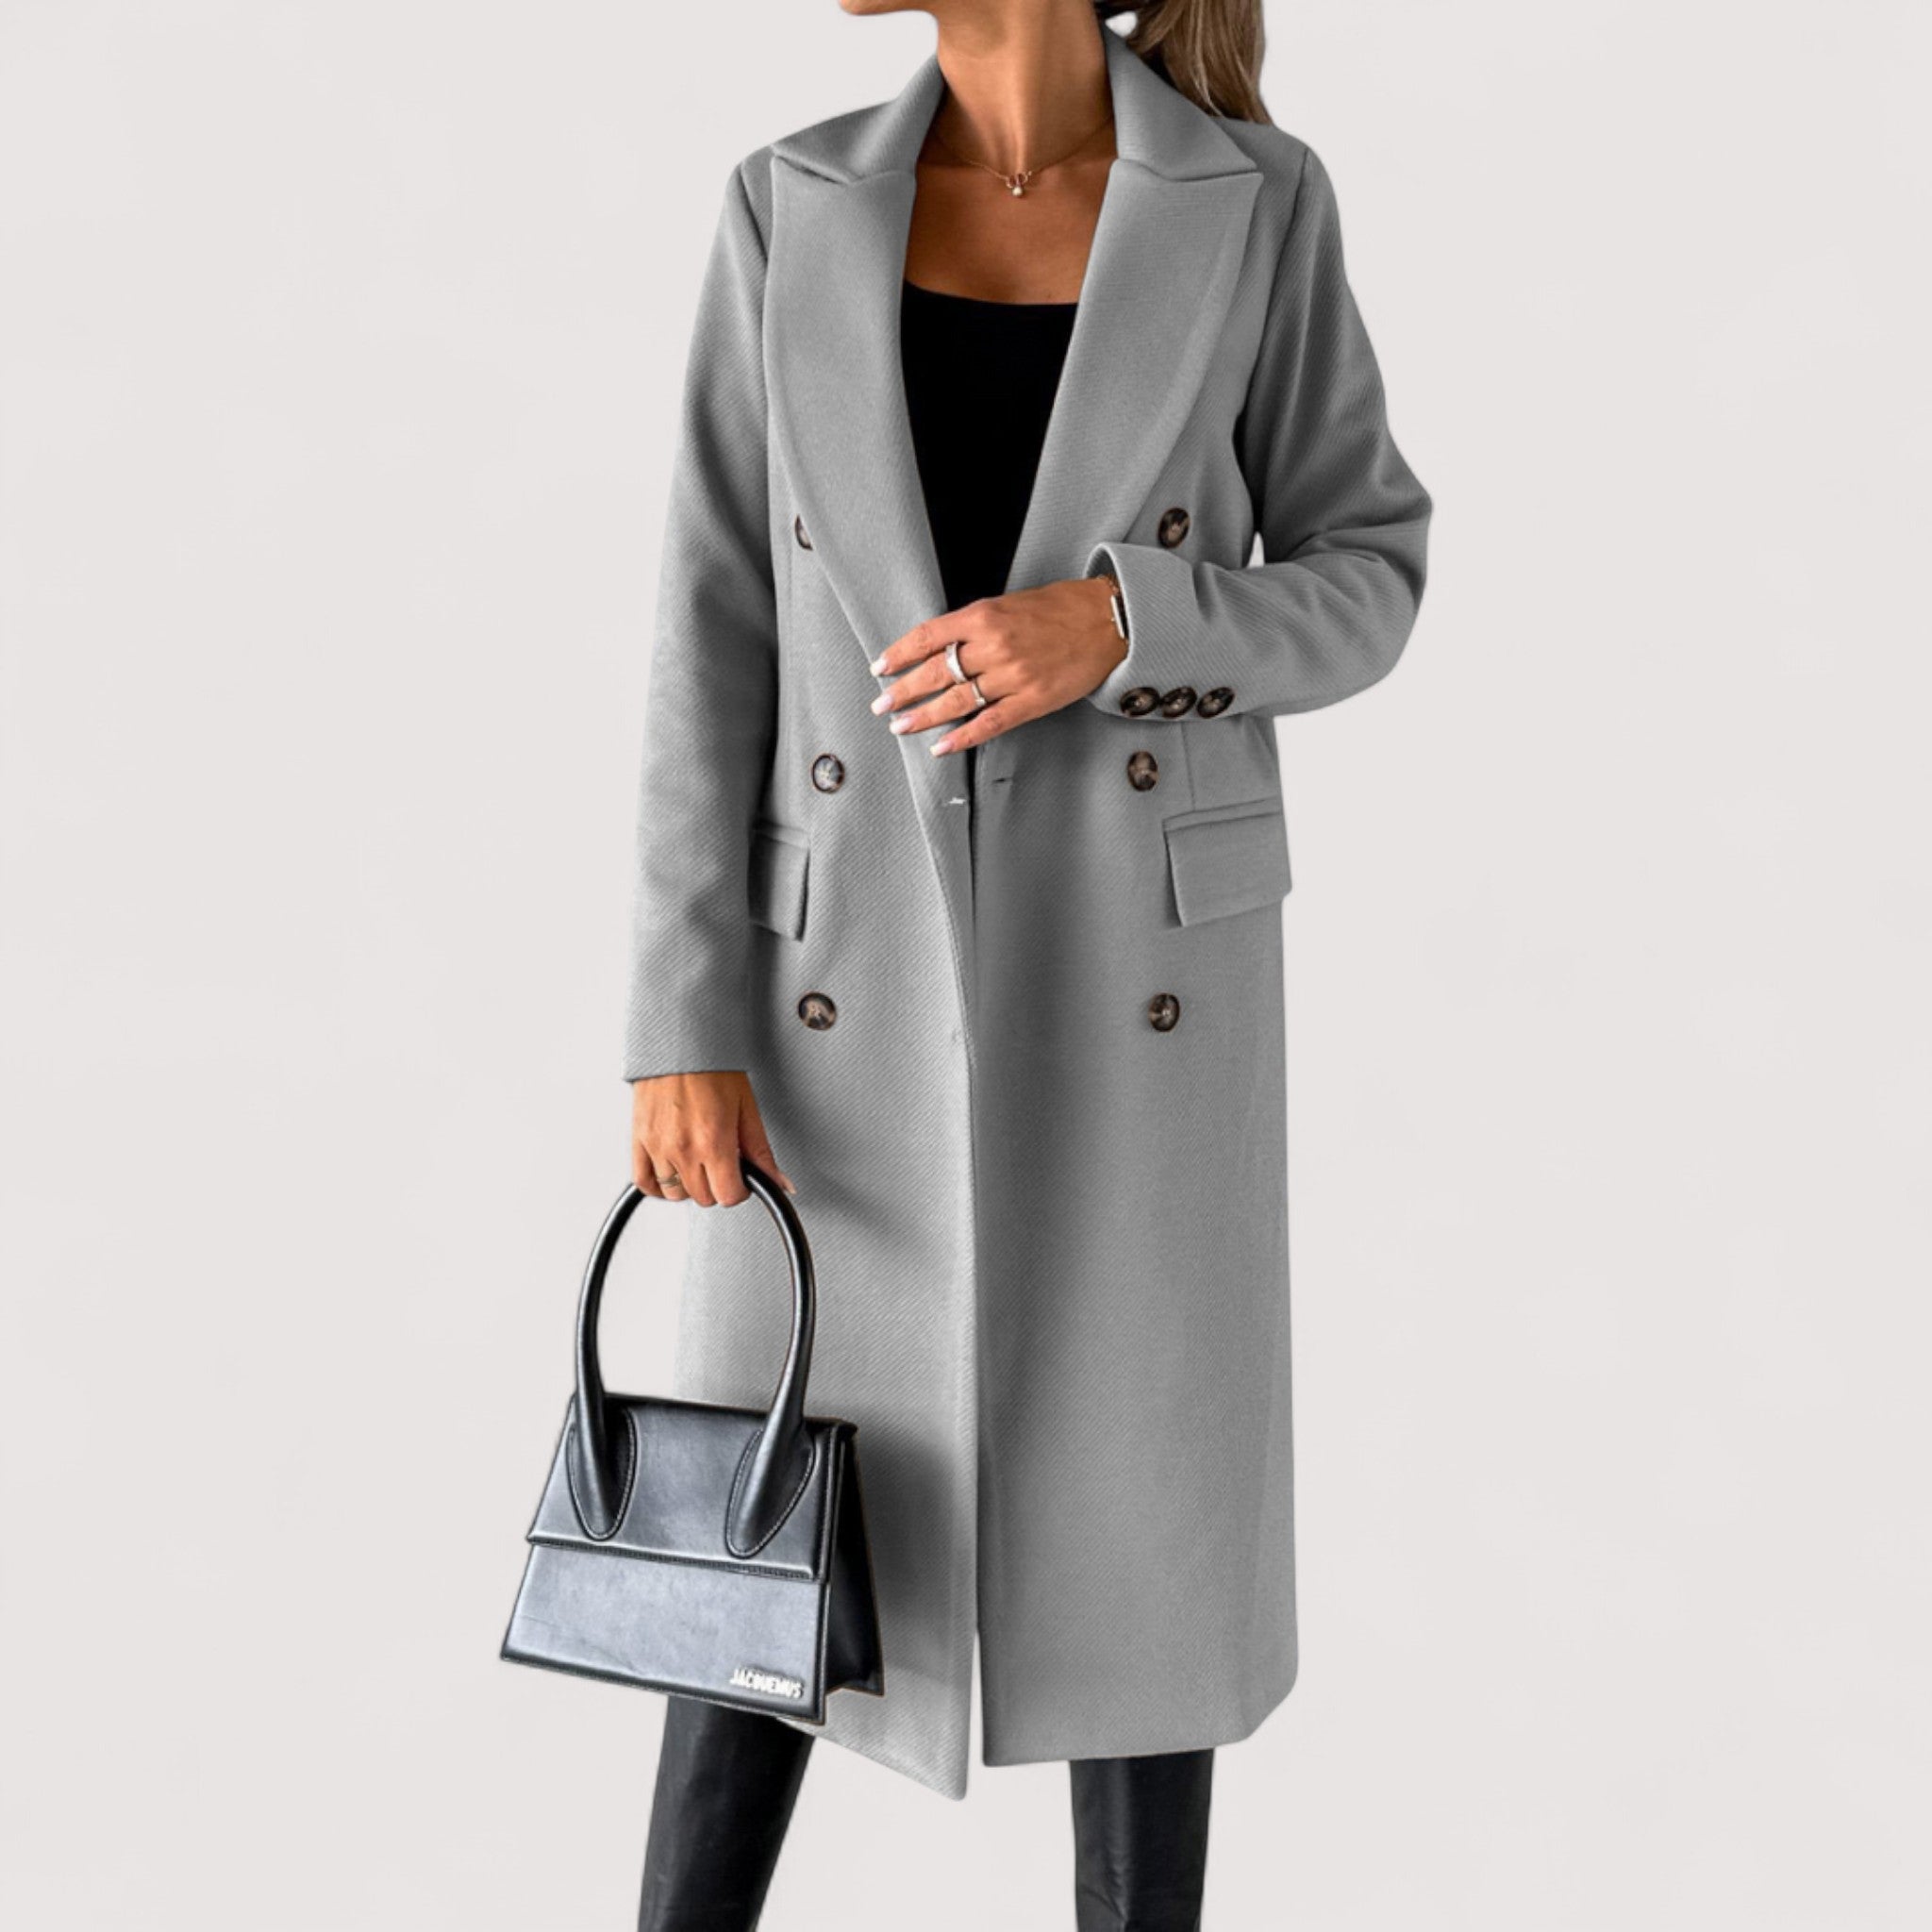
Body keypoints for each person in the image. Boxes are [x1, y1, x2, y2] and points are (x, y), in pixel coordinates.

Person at [621, 1, 1431, 1924]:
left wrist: (1126, 624)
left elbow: (1369, 573)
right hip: (833, 989)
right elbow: (710, 627)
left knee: (1143, 1540)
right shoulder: (788, 203)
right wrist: (676, 1018)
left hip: (1142, 978)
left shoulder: (1253, 201)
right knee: (758, 1545)